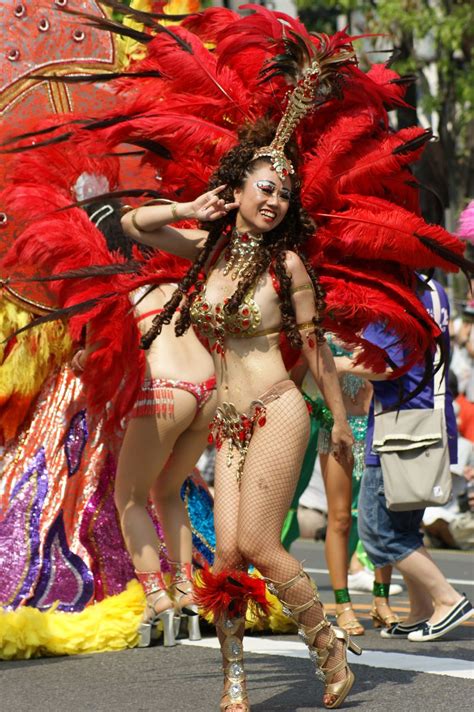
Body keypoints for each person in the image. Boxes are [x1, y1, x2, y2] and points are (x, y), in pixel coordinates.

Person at [336, 279, 473, 641]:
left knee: (379, 533)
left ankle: (448, 599)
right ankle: (422, 608)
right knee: (404, 528)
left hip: (397, 426)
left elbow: (386, 366)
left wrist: (337, 362)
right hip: (429, 419)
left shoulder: (391, 294)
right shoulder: (435, 290)